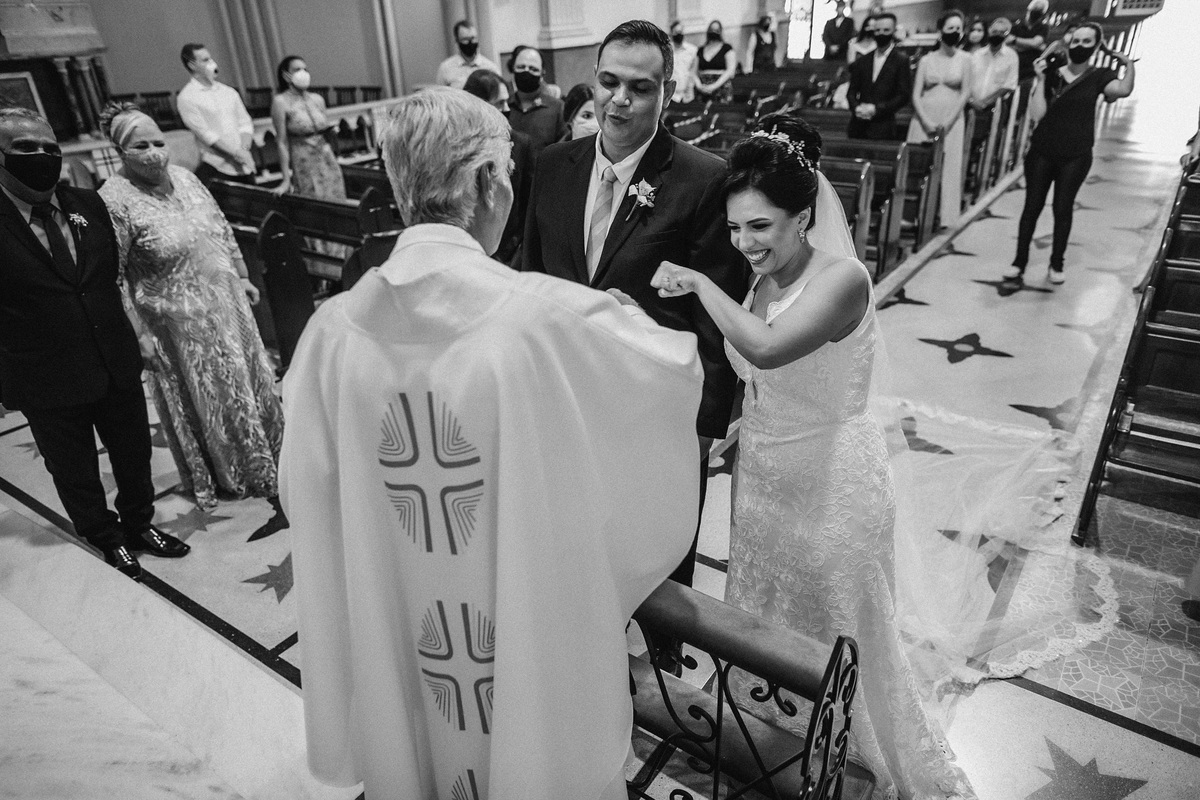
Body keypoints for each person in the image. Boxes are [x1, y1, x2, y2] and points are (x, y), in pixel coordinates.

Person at [280, 85, 702, 800]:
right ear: (484, 181)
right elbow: (667, 377)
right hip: (519, 622)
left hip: (405, 631)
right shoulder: (546, 317)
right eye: (506, 170)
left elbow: (306, 492)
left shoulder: (331, 332)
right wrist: (623, 318)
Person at [649, 112, 978, 800]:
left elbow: (768, 347)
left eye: (760, 227)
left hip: (834, 480)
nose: (744, 244)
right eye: (736, 228)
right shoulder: (760, 281)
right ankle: (763, 742)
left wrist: (701, 284)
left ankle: (850, 758)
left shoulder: (844, 278)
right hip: (767, 473)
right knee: (766, 611)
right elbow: (753, 372)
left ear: (804, 215)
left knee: (835, 623)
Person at [522, 19, 747, 589]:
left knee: (658, 557)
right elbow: (530, 277)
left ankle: (665, 658)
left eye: (640, 87)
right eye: (608, 81)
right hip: (564, 400)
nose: (618, 100)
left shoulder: (702, 180)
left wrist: (703, 428)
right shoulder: (552, 165)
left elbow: (713, 318)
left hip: (656, 411)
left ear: (668, 92)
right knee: (572, 547)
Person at [0, 106, 189, 581]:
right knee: (76, 469)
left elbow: (109, 280)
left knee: (134, 454)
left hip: (112, 357)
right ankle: (106, 537)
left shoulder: (88, 203)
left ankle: (141, 525)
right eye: (25, 149)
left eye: (49, 147)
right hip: (44, 372)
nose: (41, 156)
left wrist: (138, 335)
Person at [98, 104, 284, 510]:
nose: (153, 151)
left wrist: (243, 274)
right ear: (119, 151)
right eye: (140, 145)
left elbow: (221, 228)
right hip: (176, 322)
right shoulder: (113, 201)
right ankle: (230, 472)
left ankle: (271, 453)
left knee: (247, 380)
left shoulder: (185, 177)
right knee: (211, 396)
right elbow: (113, 277)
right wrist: (140, 334)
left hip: (226, 304)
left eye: (158, 142)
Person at [1008, 22, 1134, 284]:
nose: (1079, 46)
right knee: (1032, 206)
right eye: (1075, 41)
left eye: (1086, 42)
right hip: (1042, 149)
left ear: (1097, 46)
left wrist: (1128, 64)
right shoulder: (1052, 73)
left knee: (1063, 208)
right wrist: (1041, 80)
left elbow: (1122, 90)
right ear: (1068, 43)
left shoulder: (1100, 75)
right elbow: (1037, 114)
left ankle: (1056, 264)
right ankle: (1019, 262)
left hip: (1076, 153)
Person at [907, 10, 974, 228]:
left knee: (949, 167)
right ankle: (915, 215)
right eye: (950, 28)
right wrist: (925, 121)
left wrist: (948, 121)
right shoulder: (926, 60)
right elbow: (916, 94)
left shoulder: (966, 59)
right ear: (941, 31)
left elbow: (965, 93)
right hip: (924, 117)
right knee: (919, 166)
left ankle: (944, 217)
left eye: (958, 28)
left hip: (952, 119)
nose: (954, 32)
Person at [462, 69, 534, 265]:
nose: (506, 108)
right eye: (499, 103)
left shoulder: (520, 144)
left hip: (510, 252)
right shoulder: (459, 147)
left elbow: (528, 205)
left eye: (506, 102)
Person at [176, 43, 255, 186]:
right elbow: (206, 134)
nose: (212, 63)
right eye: (205, 60)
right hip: (217, 166)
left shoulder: (228, 92)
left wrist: (243, 149)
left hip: (244, 164)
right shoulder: (187, 97)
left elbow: (245, 123)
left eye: (210, 58)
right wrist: (236, 153)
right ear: (192, 65)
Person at [270, 56, 347, 203]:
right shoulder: (280, 101)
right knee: (315, 199)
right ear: (286, 75)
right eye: (297, 69)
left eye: (305, 69)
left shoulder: (317, 99)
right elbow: (281, 142)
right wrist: (286, 179)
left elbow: (324, 127)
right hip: (303, 158)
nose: (303, 73)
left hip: (326, 155)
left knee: (337, 199)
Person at [847, 12, 912, 140]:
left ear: (893, 31)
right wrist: (856, 108)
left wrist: (877, 109)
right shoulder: (863, 60)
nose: (881, 34)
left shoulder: (901, 61)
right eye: (877, 30)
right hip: (858, 126)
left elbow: (903, 95)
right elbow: (851, 91)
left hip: (883, 126)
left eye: (886, 30)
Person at [507, 45, 567, 154]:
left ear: (542, 73)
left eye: (533, 69)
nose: (526, 72)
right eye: (521, 67)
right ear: (513, 69)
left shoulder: (558, 108)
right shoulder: (503, 107)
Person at [435, 20, 500, 89]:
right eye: (465, 39)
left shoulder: (490, 67)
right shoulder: (445, 68)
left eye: (473, 38)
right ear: (457, 41)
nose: (470, 42)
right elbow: (439, 96)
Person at [695, 19, 737, 100]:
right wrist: (699, 86)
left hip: (721, 88)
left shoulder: (727, 48)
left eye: (716, 30)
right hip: (703, 89)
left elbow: (730, 71)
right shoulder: (700, 50)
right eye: (711, 30)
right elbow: (694, 72)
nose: (713, 32)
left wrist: (714, 86)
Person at [1009, 0, 1050, 84]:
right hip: (1015, 67)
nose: (1037, 11)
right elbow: (1009, 46)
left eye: (1040, 10)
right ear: (1029, 9)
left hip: (1033, 70)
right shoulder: (1016, 27)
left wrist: (1015, 40)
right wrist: (1034, 46)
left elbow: (1035, 43)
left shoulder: (1043, 27)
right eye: (1035, 8)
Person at [669, 20, 698, 103]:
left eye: (680, 31)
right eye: (676, 32)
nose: (678, 34)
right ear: (671, 33)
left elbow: (693, 72)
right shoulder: (667, 50)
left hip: (688, 95)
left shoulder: (692, 50)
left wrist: (691, 87)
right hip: (671, 95)